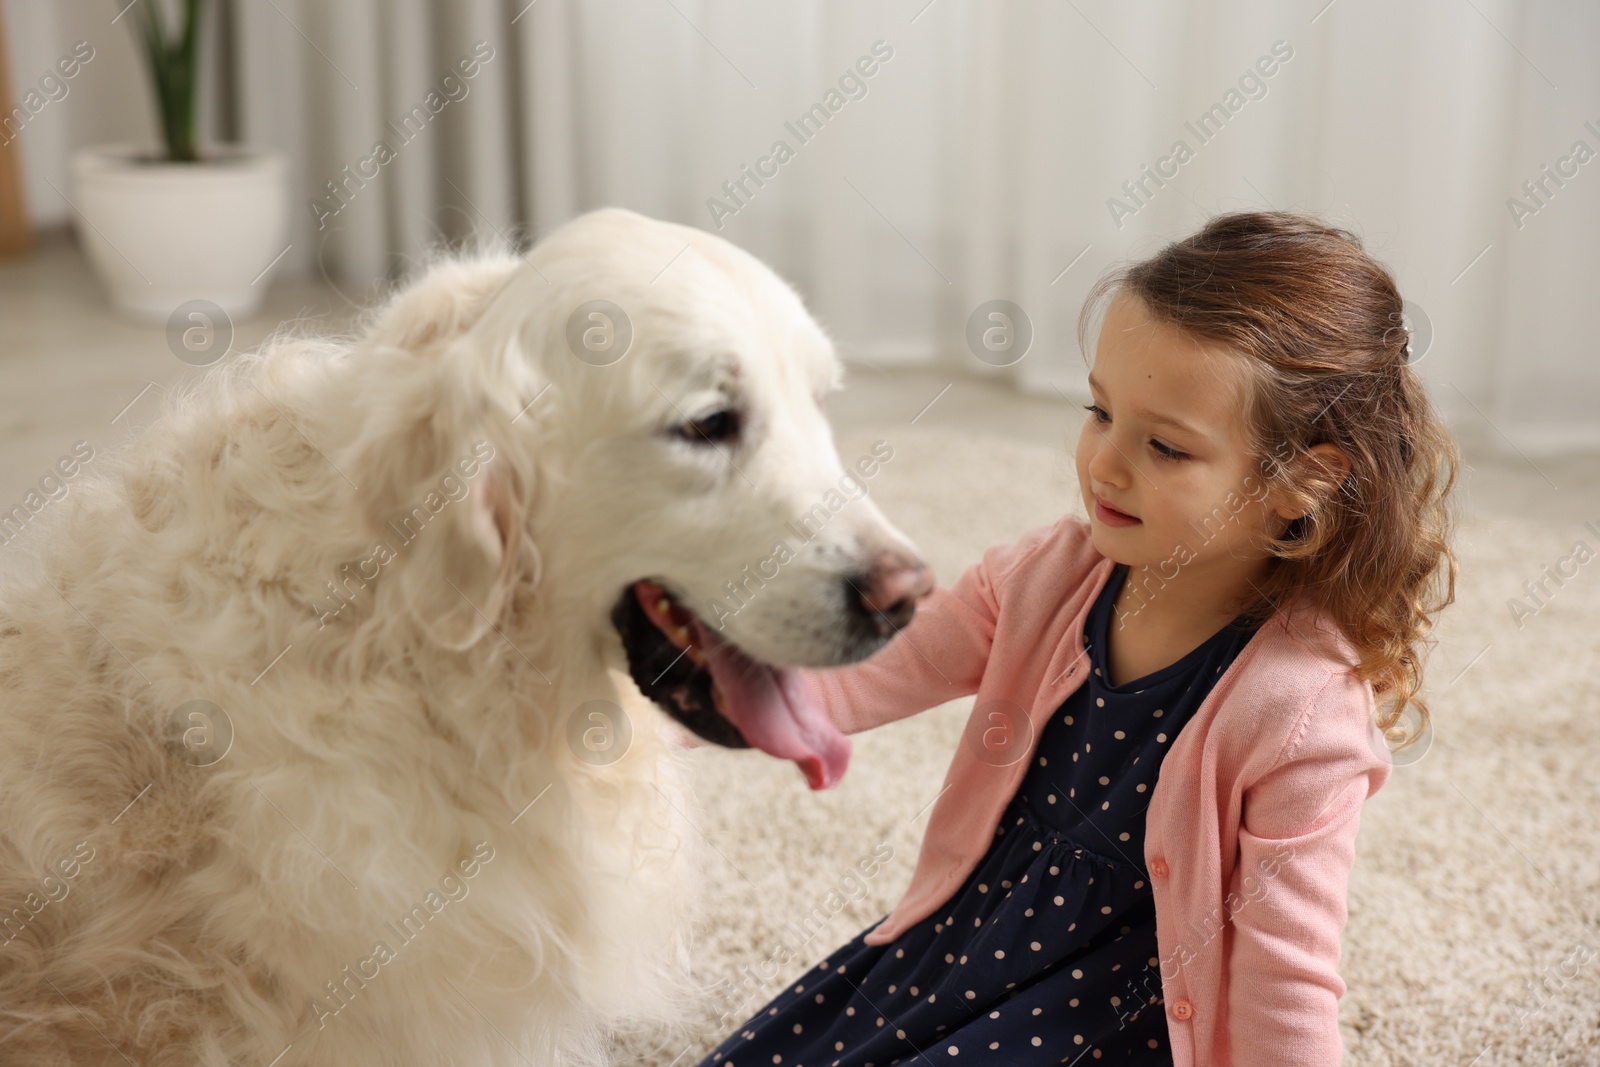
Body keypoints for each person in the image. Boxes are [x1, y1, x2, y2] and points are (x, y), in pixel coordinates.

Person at [692, 210, 1460, 1067]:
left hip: (1122, 1012)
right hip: (963, 942)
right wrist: (710, 687)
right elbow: (877, 671)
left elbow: (1289, 972)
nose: (1105, 464)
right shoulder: (1052, 572)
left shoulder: (1301, 712)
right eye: (1100, 410)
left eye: (1166, 446)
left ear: (1301, 483)